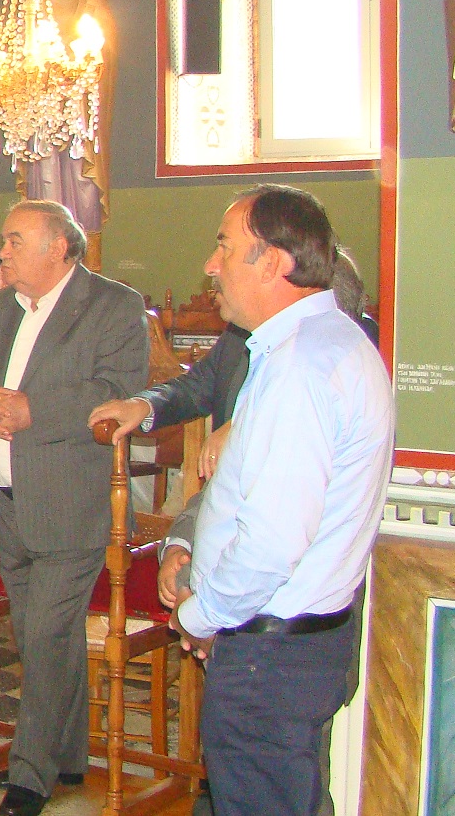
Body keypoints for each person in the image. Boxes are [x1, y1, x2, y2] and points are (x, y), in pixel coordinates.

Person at [170, 186, 392, 816]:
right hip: (292, 647)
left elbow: (271, 545)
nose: (211, 265)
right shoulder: (326, 343)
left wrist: (202, 615)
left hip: (271, 658)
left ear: (271, 262)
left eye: (224, 248)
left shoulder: (301, 366)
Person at [0, 199, 147, 816]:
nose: (1, 253)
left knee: (48, 632)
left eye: (14, 241)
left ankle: (30, 775)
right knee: (37, 634)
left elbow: (116, 389)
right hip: (8, 500)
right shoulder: (2, 306)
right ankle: (68, 756)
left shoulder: (112, 305)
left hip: (71, 501)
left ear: (58, 247)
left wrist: (32, 411)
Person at [19, 0, 113, 248]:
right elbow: (23, 33)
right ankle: (42, 245)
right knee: (43, 164)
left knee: (78, 167)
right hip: (43, 86)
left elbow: (99, 27)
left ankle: (82, 248)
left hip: (75, 85)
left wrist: (72, 57)